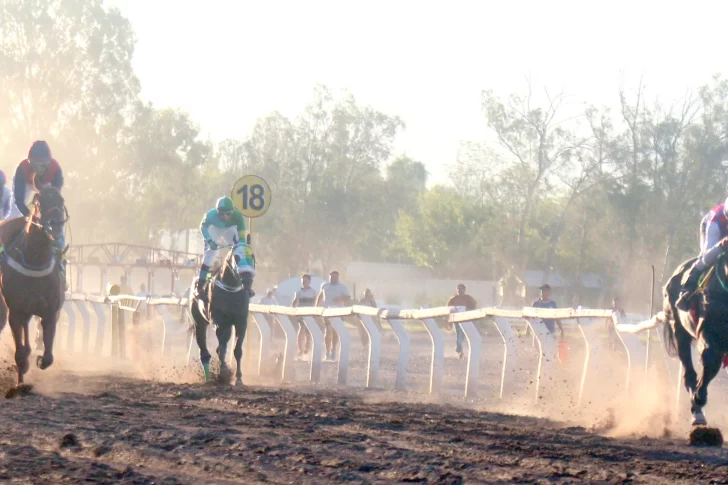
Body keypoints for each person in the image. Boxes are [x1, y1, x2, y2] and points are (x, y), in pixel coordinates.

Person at [12, 141, 66, 282]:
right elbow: (18, 200)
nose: (37, 168)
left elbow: (53, 201)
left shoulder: (56, 170)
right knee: (12, 220)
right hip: (26, 190)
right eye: (34, 164)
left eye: (41, 165)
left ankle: (60, 265)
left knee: (58, 227)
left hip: (46, 191)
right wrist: (28, 217)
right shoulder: (22, 169)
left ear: (48, 163)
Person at [196, 196, 255, 300]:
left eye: (228, 214)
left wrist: (239, 246)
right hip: (214, 229)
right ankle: (200, 285)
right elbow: (203, 227)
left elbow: (241, 236)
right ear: (217, 212)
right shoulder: (210, 215)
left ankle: (246, 282)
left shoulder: (238, 216)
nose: (225, 216)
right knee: (210, 254)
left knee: (241, 248)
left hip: (229, 229)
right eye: (221, 214)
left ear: (232, 211)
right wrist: (210, 241)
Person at [676, 200, 728, 311]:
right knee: (709, 256)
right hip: (712, 225)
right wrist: (721, 245)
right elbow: (710, 251)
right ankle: (687, 290)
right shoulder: (716, 221)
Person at [316, 270, 351, 361]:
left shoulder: (342, 287)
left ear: (338, 278)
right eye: (332, 277)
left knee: (335, 331)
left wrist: (340, 298)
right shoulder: (325, 286)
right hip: (327, 310)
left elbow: (348, 297)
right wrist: (317, 306)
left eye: (335, 277)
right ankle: (327, 351)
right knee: (328, 330)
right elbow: (320, 296)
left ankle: (333, 350)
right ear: (329, 277)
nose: (333, 279)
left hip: (339, 311)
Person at [447, 283, 477, 359]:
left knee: (461, 335)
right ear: (456, 290)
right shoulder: (453, 299)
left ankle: (459, 349)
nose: (460, 291)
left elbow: (474, 307)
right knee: (459, 334)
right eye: (458, 289)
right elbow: (449, 309)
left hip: (466, 320)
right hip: (456, 320)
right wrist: (449, 321)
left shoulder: (468, 298)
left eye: (461, 289)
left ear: (464, 290)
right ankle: (459, 350)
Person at [292, 274, 317, 357]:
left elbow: (316, 301)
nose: (304, 282)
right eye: (303, 281)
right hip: (301, 313)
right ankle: (300, 349)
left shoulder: (313, 291)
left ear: (309, 281)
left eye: (306, 281)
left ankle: (307, 348)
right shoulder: (299, 291)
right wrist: (292, 310)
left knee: (308, 331)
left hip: (310, 313)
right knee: (302, 329)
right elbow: (295, 301)